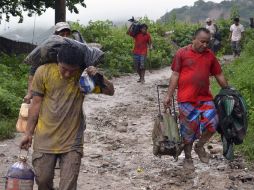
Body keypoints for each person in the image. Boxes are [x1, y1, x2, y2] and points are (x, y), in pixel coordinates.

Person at [19, 45, 114, 190]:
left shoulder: (83, 78)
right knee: (43, 181)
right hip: (45, 138)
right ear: (58, 61)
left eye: (72, 70)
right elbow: (36, 104)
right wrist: (28, 133)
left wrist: (97, 75)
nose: (68, 74)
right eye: (64, 68)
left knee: (68, 185)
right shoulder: (43, 72)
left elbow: (110, 91)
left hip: (72, 141)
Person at [163, 28, 228, 170]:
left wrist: (228, 90)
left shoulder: (210, 55)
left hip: (204, 99)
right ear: (194, 39)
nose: (205, 45)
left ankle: (199, 147)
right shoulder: (182, 53)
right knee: (188, 130)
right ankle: (187, 158)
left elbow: (219, 74)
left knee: (213, 123)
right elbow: (175, 75)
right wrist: (169, 94)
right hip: (186, 100)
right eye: (202, 42)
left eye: (207, 42)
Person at [23, 22, 72, 104]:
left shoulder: (72, 48)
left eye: (67, 34)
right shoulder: (47, 48)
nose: (65, 37)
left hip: (65, 88)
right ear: (55, 34)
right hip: (47, 86)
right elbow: (33, 72)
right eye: (62, 34)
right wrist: (29, 93)